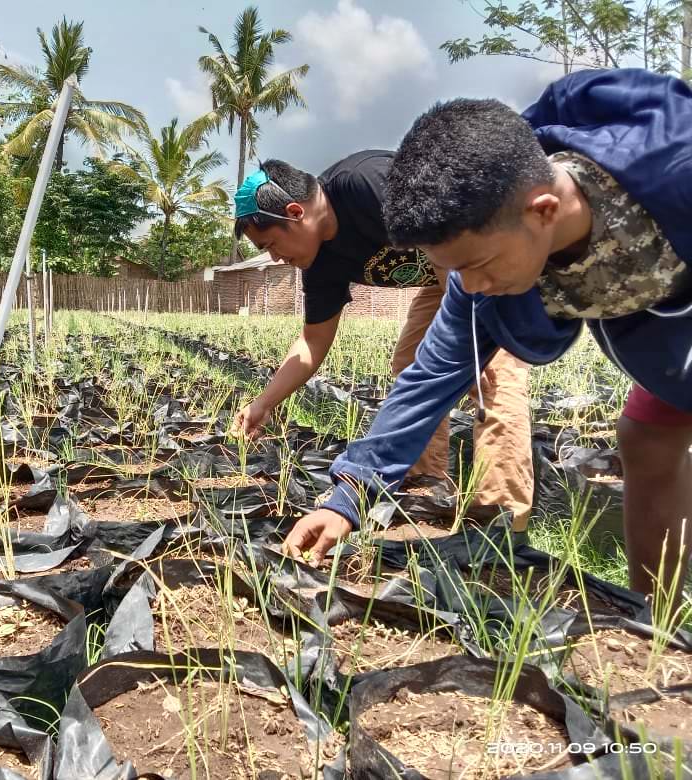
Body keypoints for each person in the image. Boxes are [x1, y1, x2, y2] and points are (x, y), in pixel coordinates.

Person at [283, 68, 692, 604]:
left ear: (543, 211)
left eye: (477, 265)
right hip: (660, 344)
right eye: (455, 272)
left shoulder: (673, 175)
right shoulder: (488, 270)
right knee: (648, 439)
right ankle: (655, 628)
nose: (471, 287)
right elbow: (429, 377)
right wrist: (348, 497)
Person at [231, 154, 534, 530]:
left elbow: (448, 238)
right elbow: (312, 343)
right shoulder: (319, 261)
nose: (275, 258)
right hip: (444, 279)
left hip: (482, 258)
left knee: (493, 375)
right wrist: (263, 403)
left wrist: (475, 338)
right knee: (411, 364)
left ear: (295, 212)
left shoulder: (366, 184)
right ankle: (427, 486)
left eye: (270, 244)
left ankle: (501, 525)